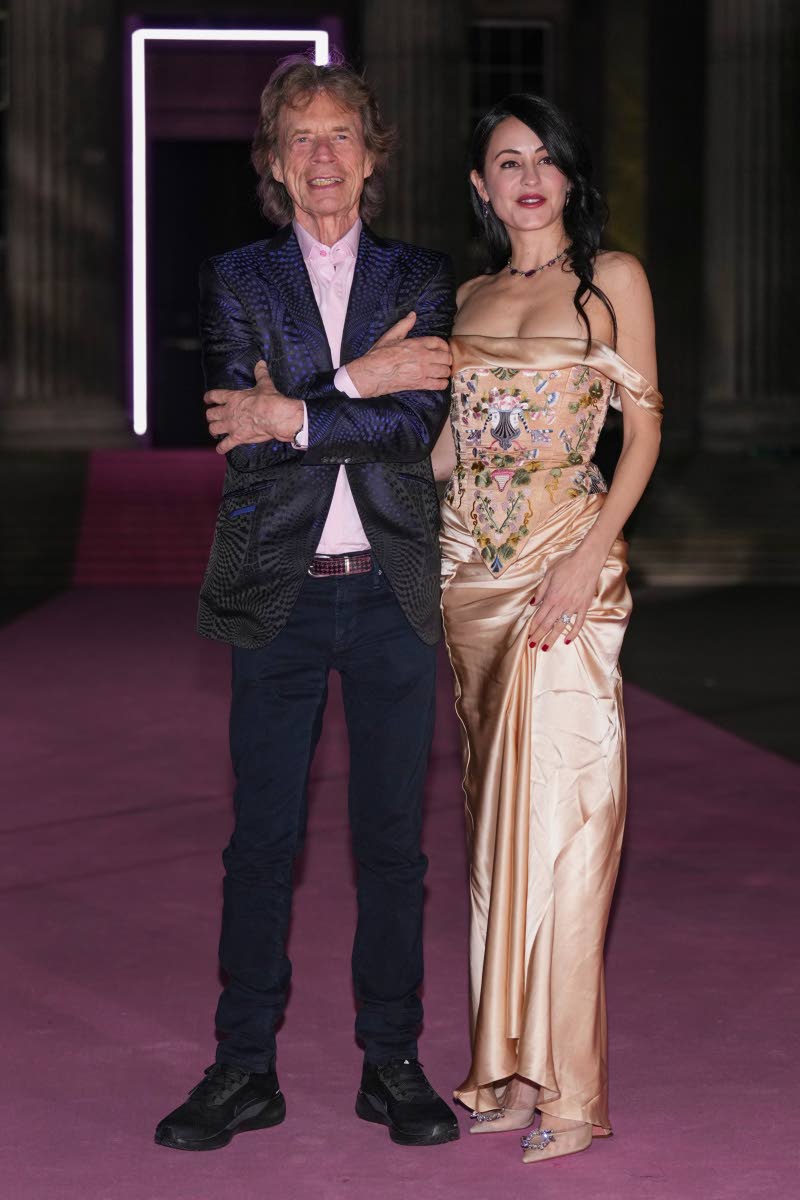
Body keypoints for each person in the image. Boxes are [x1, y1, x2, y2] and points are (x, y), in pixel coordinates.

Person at [155, 56, 459, 1152]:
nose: (322, 155)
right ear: (275, 164)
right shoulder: (236, 277)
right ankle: (244, 1069)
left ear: (370, 157)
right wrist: (350, 384)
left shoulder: (419, 272)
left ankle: (392, 1062)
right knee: (259, 843)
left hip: (388, 595)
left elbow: (411, 427)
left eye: (340, 135)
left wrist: (305, 406)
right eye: (300, 137)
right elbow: (240, 433)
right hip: (273, 592)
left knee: (392, 846)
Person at [430, 94, 662, 1165]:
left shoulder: (607, 280)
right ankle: (508, 1068)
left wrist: (587, 553)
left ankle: (567, 1088)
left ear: (568, 178)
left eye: (543, 160)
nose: (527, 178)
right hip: (469, 583)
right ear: (479, 187)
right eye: (504, 162)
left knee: (567, 825)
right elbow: (439, 452)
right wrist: (324, 423)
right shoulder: (466, 294)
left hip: (569, 571)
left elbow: (642, 431)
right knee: (495, 835)